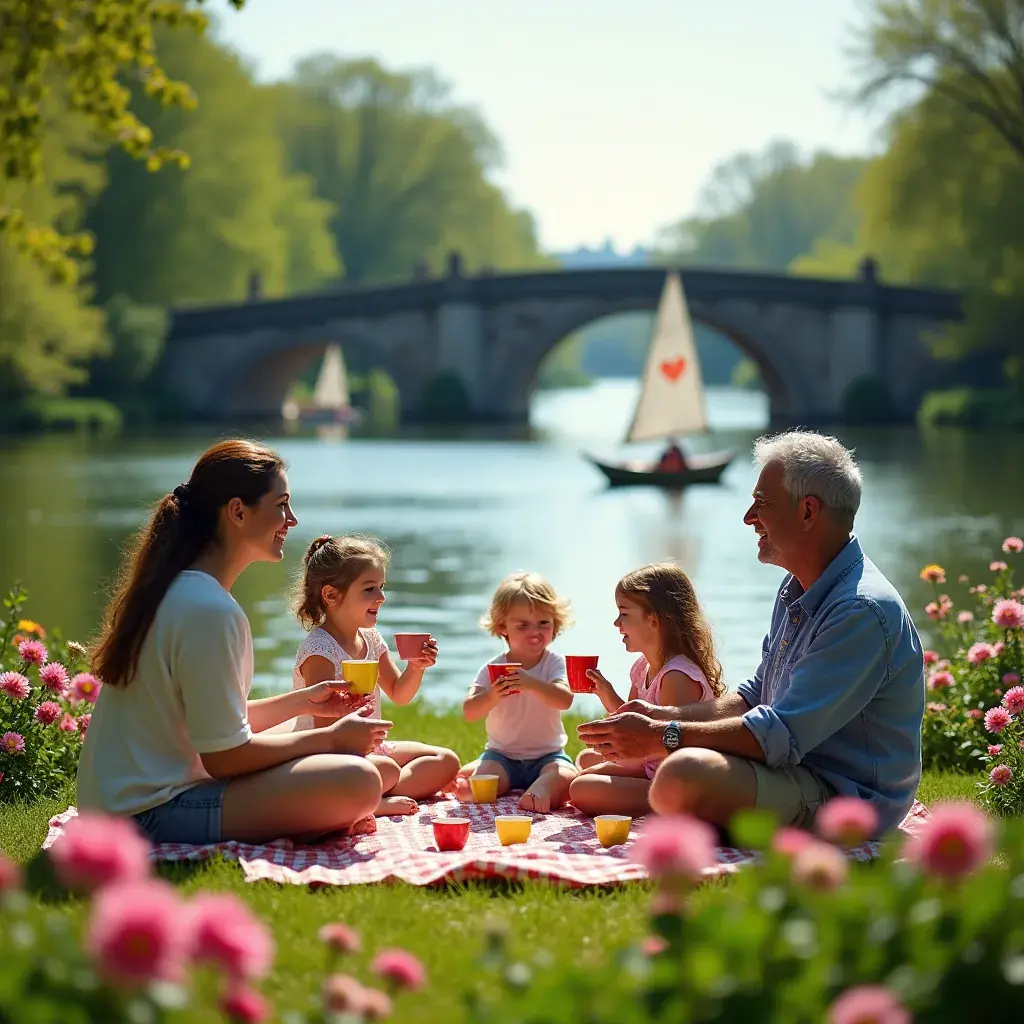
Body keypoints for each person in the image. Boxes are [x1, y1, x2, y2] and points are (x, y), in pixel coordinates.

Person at [577, 431, 925, 838]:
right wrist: (663, 715)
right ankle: (704, 809)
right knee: (672, 767)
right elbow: (755, 696)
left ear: (808, 511)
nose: (748, 517)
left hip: (844, 799)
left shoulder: (859, 611)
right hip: (792, 772)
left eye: (761, 504)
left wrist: (663, 735)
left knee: (683, 773)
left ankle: (697, 808)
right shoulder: (799, 588)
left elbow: (781, 734)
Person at [77, 440, 388, 845]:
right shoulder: (208, 610)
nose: (291, 520)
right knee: (358, 779)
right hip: (146, 816)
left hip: (118, 807)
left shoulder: (186, 592)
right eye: (281, 505)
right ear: (238, 511)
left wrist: (303, 702)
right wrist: (329, 738)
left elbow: (217, 725)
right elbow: (224, 758)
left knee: (331, 764)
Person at [291, 534, 460, 816]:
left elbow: (399, 693)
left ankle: (365, 796)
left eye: (381, 587)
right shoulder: (319, 650)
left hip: (369, 751)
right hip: (325, 757)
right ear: (331, 595)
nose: (381, 597)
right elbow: (324, 731)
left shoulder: (370, 639)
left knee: (445, 760)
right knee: (387, 769)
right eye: (369, 589)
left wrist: (416, 667)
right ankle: (372, 802)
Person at [569, 563, 723, 818]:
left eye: (624, 613)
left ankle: (673, 806)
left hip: (675, 780)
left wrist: (613, 762)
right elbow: (634, 726)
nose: (616, 623)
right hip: (651, 767)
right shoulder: (642, 668)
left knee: (582, 787)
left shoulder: (676, 677)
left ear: (653, 620)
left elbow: (678, 747)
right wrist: (607, 695)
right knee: (586, 760)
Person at [459, 572, 577, 813]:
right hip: (502, 756)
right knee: (475, 787)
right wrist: (493, 695)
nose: (535, 631)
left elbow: (564, 699)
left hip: (548, 755)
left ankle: (539, 790)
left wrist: (531, 683)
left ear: (555, 623)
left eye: (543, 623)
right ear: (503, 626)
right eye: (523, 625)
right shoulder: (494, 667)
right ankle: (482, 776)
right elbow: (470, 711)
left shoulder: (554, 663)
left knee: (568, 777)